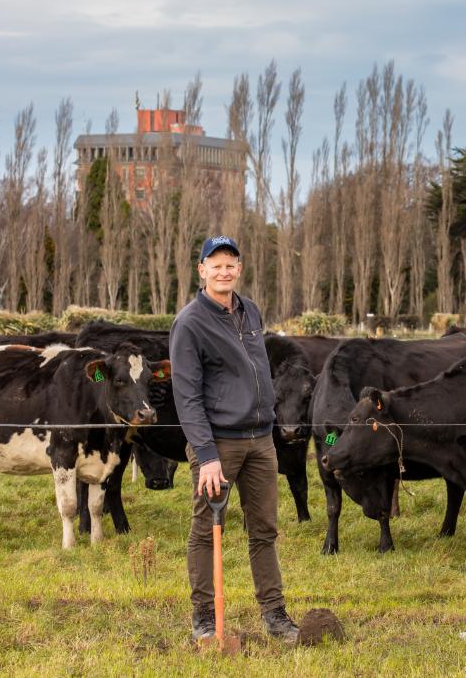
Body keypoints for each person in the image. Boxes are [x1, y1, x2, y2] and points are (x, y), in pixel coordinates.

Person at [169, 235, 299, 644]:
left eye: (231, 264)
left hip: (261, 439)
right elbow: (186, 395)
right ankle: (205, 618)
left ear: (239, 269)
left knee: (264, 529)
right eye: (216, 264)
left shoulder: (250, 311)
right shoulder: (190, 322)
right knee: (207, 529)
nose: (224, 271)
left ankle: (274, 614)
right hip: (218, 444)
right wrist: (206, 455)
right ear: (201, 270)